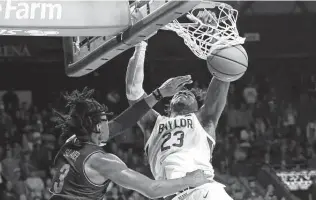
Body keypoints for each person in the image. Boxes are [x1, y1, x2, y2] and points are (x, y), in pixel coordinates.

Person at [49, 83, 212, 200]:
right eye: (106, 121)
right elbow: (152, 190)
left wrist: (159, 93)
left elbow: (122, 123)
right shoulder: (102, 162)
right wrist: (188, 180)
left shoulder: (72, 142)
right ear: (98, 127)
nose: (110, 124)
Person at [125, 40, 241, 199]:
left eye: (190, 94)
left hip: (205, 190)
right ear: (170, 105)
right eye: (179, 93)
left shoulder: (203, 120)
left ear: (197, 107)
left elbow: (223, 74)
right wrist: (140, 44)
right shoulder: (152, 123)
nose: (184, 93)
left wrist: (220, 41)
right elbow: (133, 91)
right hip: (174, 195)